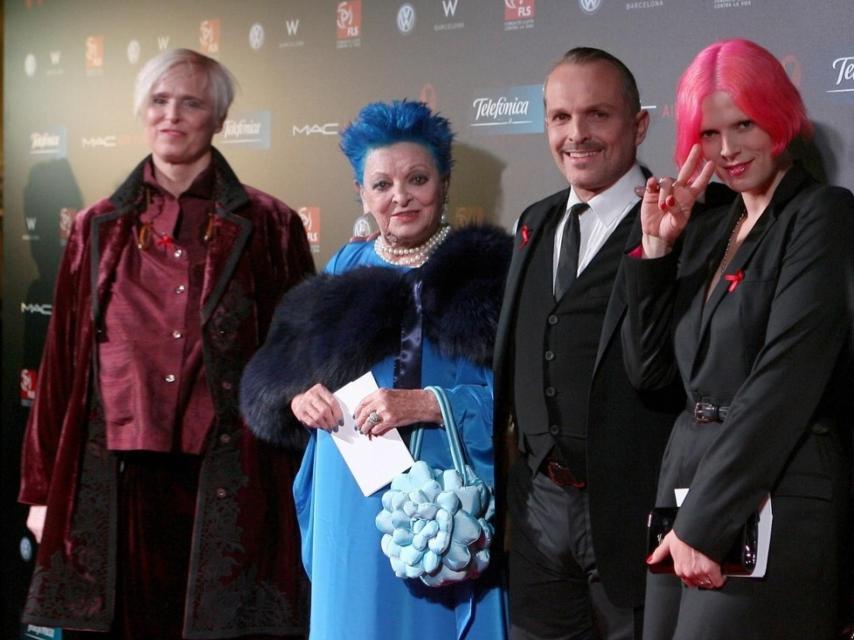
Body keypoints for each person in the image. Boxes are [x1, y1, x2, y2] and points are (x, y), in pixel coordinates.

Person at [18, 49, 315, 639]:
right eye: (159, 100)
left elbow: (298, 361)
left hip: (231, 480)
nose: (172, 115)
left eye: (191, 102)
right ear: (142, 112)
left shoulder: (272, 224)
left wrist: (302, 488)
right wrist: (42, 493)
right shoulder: (95, 227)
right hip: (115, 482)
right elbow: (60, 371)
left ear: (220, 118)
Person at [240, 100, 510, 639]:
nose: (400, 196)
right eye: (381, 184)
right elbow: (276, 380)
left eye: (417, 178)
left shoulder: (489, 273)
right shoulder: (343, 270)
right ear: (361, 193)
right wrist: (299, 399)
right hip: (353, 503)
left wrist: (432, 403)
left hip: (452, 501)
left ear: (446, 181)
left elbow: (523, 401)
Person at [622, 38, 854, 639]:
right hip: (688, 487)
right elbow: (650, 374)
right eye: (707, 133)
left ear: (779, 114)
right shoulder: (708, 225)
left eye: (744, 124)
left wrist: (704, 522)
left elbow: (785, 383)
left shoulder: (822, 215)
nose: (726, 150)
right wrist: (657, 251)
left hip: (773, 491)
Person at [492, 47, 692, 640]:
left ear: (639, 124)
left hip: (633, 514)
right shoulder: (535, 221)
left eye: (597, 115)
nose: (576, 134)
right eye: (559, 117)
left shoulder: (687, 223)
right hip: (535, 514)